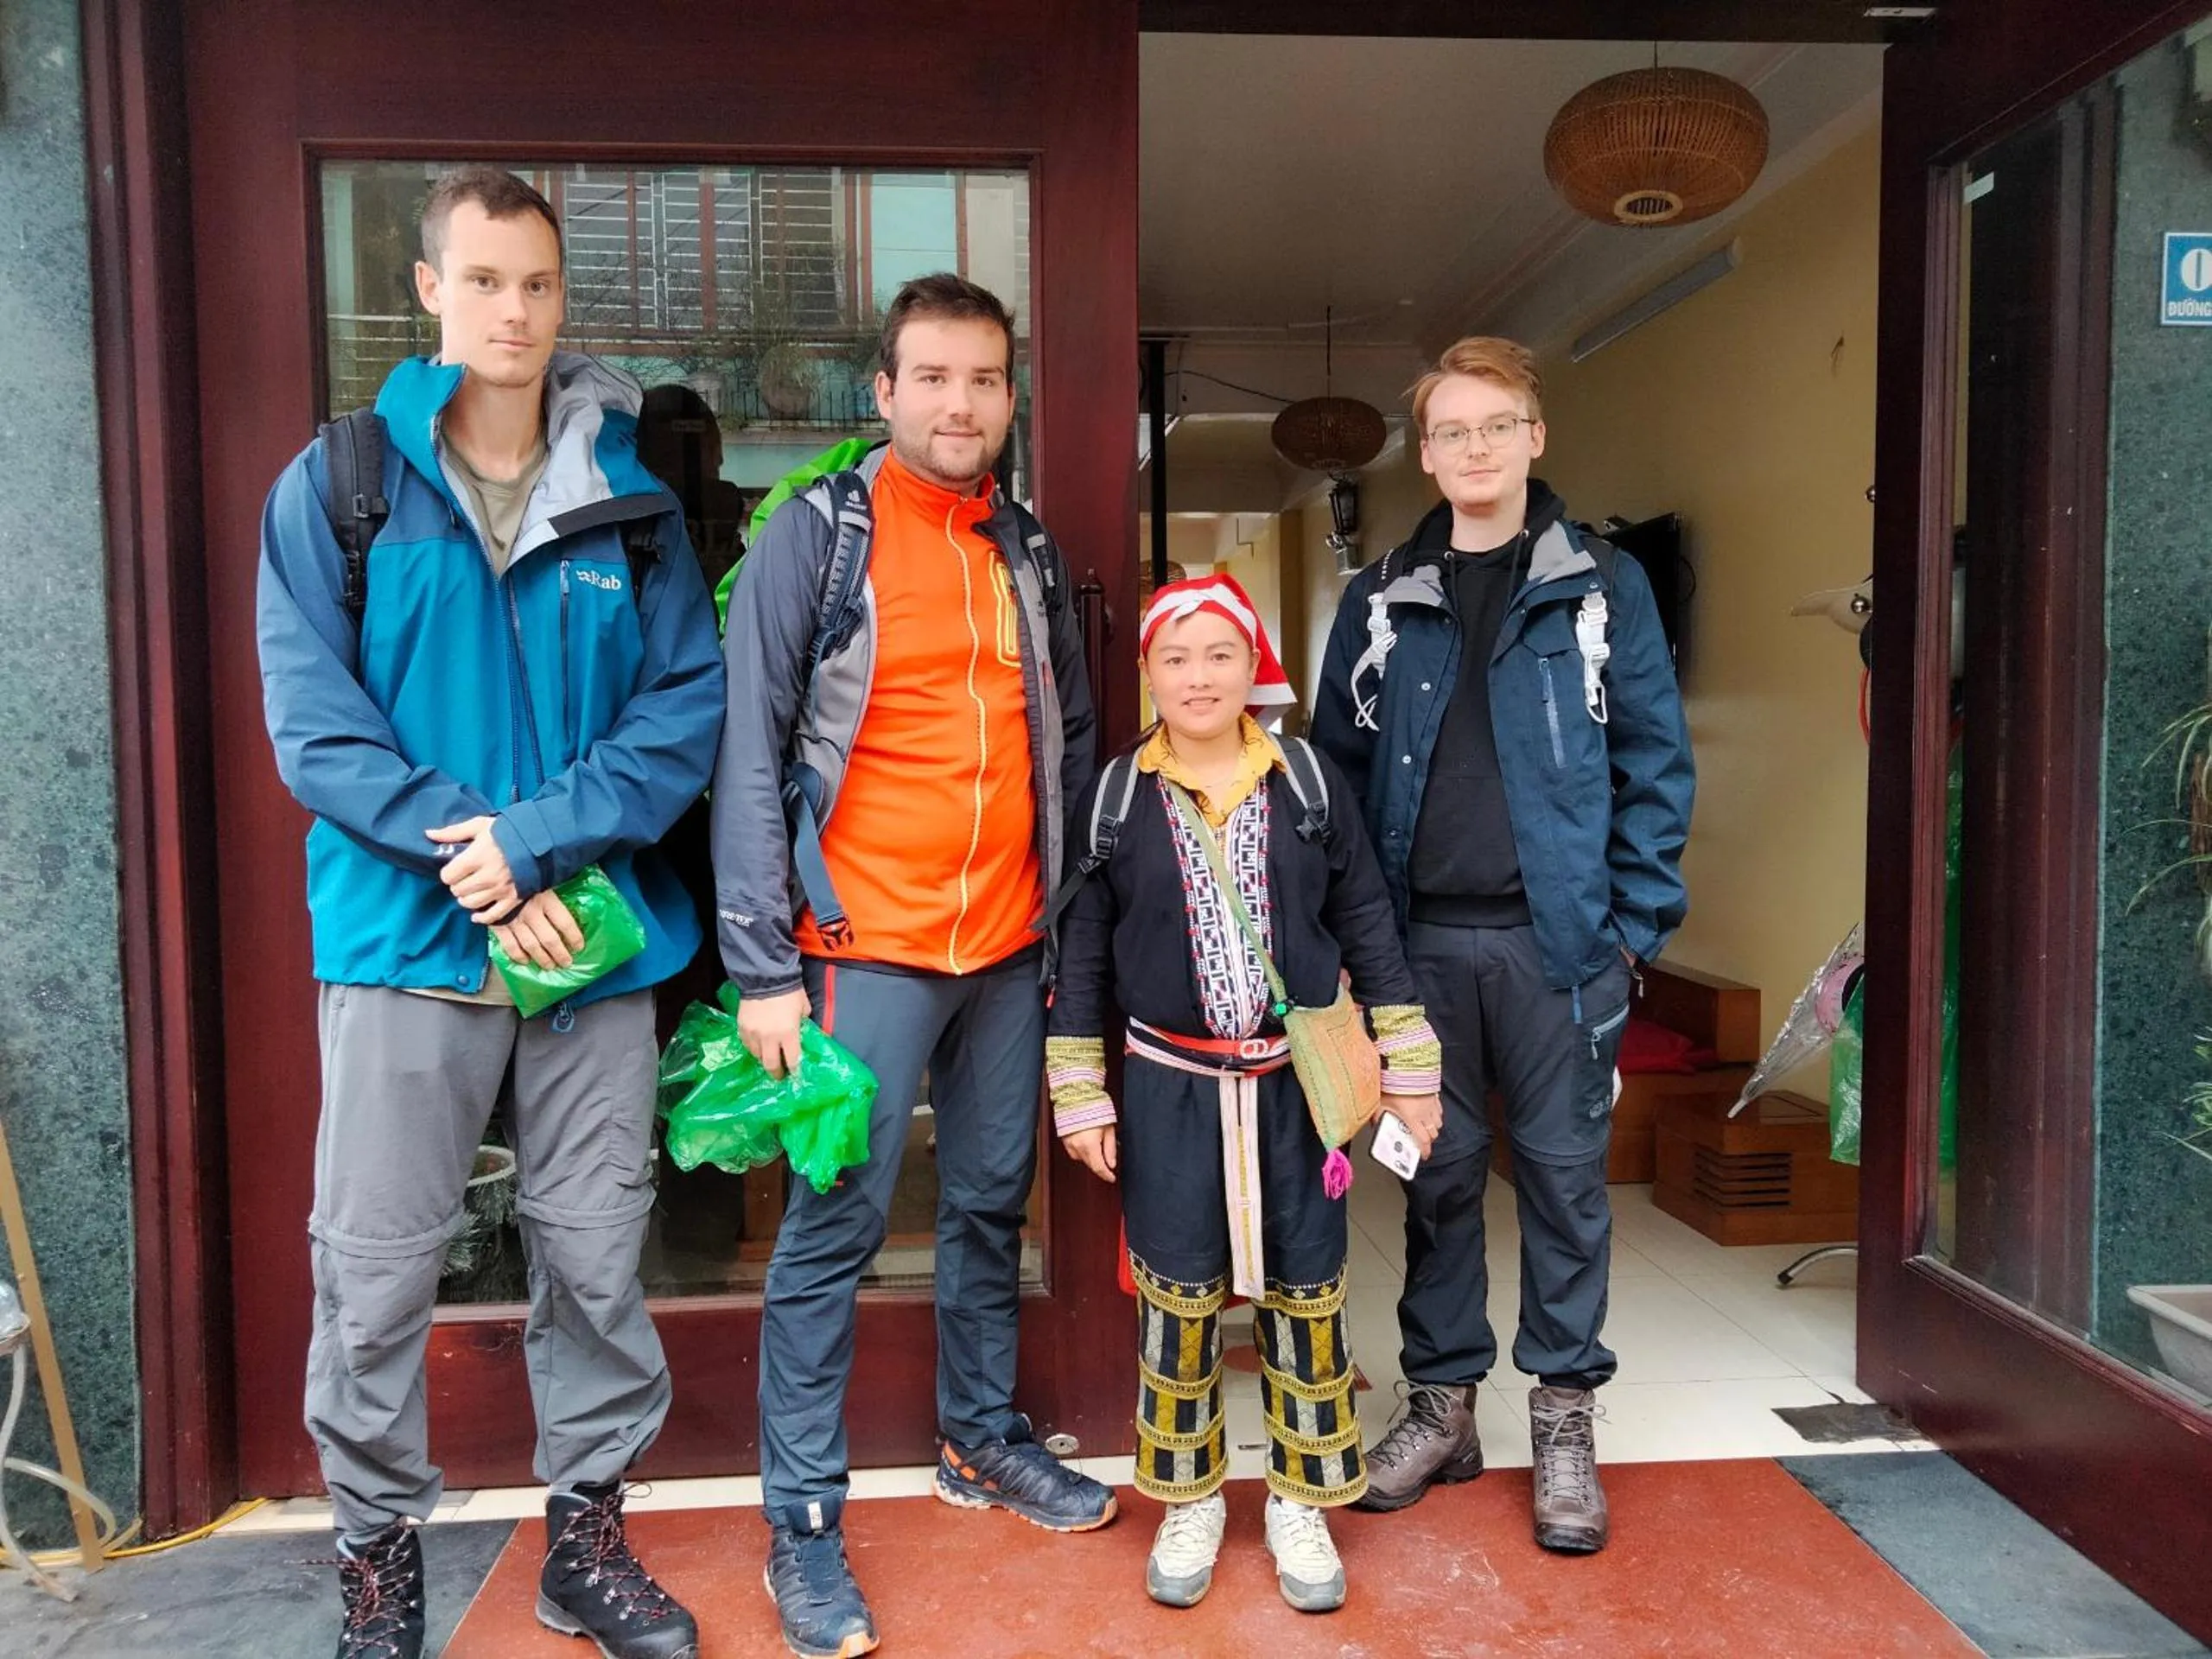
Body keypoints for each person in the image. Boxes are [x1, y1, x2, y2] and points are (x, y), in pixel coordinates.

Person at [257, 168, 724, 1659]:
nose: (511, 311)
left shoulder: (632, 501)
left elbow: (680, 715)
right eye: (481, 281)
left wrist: (534, 844)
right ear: (428, 291)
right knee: (377, 1268)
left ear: (560, 297)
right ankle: (377, 1560)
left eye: (535, 284)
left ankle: (585, 1539)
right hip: (408, 942)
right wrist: (473, 861)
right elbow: (316, 728)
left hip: (587, 945)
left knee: (595, 1257)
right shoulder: (342, 485)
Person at [712, 273, 1104, 1659]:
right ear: (882, 392)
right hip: (854, 951)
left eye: (984, 379)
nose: (959, 402)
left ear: (1010, 397)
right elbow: (748, 751)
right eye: (932, 376)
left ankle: (978, 1439)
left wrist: (1067, 933)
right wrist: (762, 965)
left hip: (1006, 949)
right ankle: (802, 1524)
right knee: (832, 1229)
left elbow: (1070, 746)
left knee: (991, 1204)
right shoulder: (817, 535)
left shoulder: (1027, 549)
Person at [1311, 336, 1694, 1554]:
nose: (1473, 447)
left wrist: (1630, 934)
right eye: (1451, 431)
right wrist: (1351, 950)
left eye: (1496, 425)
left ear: (1534, 436)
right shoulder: (1381, 597)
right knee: (1433, 1186)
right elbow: (1334, 782)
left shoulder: (1605, 588)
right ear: (1425, 455)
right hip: (1415, 954)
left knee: (1568, 1189)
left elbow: (1655, 766)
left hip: (1560, 953)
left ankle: (1565, 1417)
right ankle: (1443, 1408)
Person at [1049, 575, 1444, 1615]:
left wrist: (1410, 1069)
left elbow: (1367, 923)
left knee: (1305, 1297)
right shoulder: (1116, 797)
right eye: (1175, 658)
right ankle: (1190, 1500)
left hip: (1292, 1094)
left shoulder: (1306, 782)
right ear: (1148, 673)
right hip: (1168, 1091)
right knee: (1179, 1303)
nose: (1198, 677)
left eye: (1218, 654)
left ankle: (1299, 1501)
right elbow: (1080, 954)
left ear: (1251, 665)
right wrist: (1080, 1091)